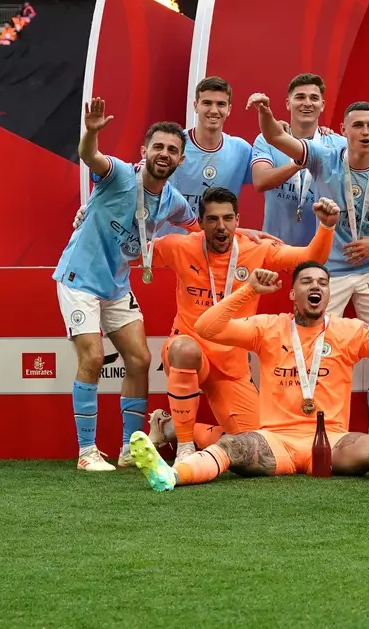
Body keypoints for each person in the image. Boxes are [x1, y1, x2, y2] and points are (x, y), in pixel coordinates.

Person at [127, 266, 369, 489]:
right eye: (307, 281)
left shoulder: (350, 331)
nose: (316, 286)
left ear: (329, 294)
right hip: (275, 441)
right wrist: (248, 290)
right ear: (293, 294)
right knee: (233, 445)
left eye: (323, 282)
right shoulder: (268, 328)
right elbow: (206, 328)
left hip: (331, 443)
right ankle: (171, 476)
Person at [250, 94, 369, 436]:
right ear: (343, 131)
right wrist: (266, 113)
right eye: (358, 125)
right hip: (330, 272)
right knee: (317, 350)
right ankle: (314, 428)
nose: (367, 131)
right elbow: (275, 138)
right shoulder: (324, 158)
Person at [142, 187, 339, 462]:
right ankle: (185, 447)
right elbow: (130, 252)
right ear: (200, 223)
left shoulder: (257, 249)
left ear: (238, 220)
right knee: (185, 350)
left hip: (231, 365)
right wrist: (91, 224)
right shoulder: (180, 246)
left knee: (256, 446)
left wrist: (326, 227)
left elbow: (310, 259)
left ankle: (171, 428)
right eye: (212, 219)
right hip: (189, 348)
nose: (220, 227)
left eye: (227, 218)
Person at [52, 99, 197, 472]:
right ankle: (87, 453)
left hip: (117, 286)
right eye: (158, 147)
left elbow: (197, 226)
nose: (164, 154)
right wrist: (92, 132)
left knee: (140, 359)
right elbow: (91, 155)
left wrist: (244, 238)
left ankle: (129, 449)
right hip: (79, 279)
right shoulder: (118, 174)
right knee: (94, 359)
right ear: (144, 151)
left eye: (172, 150)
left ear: (180, 160)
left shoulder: (172, 201)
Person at [250, 73, 346, 247]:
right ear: (288, 103)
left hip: (322, 252)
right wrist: (300, 163)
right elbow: (260, 181)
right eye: (300, 97)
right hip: (275, 248)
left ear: (322, 105)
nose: (307, 103)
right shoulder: (266, 140)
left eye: (314, 98)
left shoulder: (338, 145)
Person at [170, 77, 254, 229]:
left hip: (216, 248)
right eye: (207, 103)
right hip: (173, 246)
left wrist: (277, 138)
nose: (214, 110)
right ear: (195, 106)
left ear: (229, 109)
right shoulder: (173, 145)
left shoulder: (242, 150)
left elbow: (268, 180)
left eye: (221, 104)